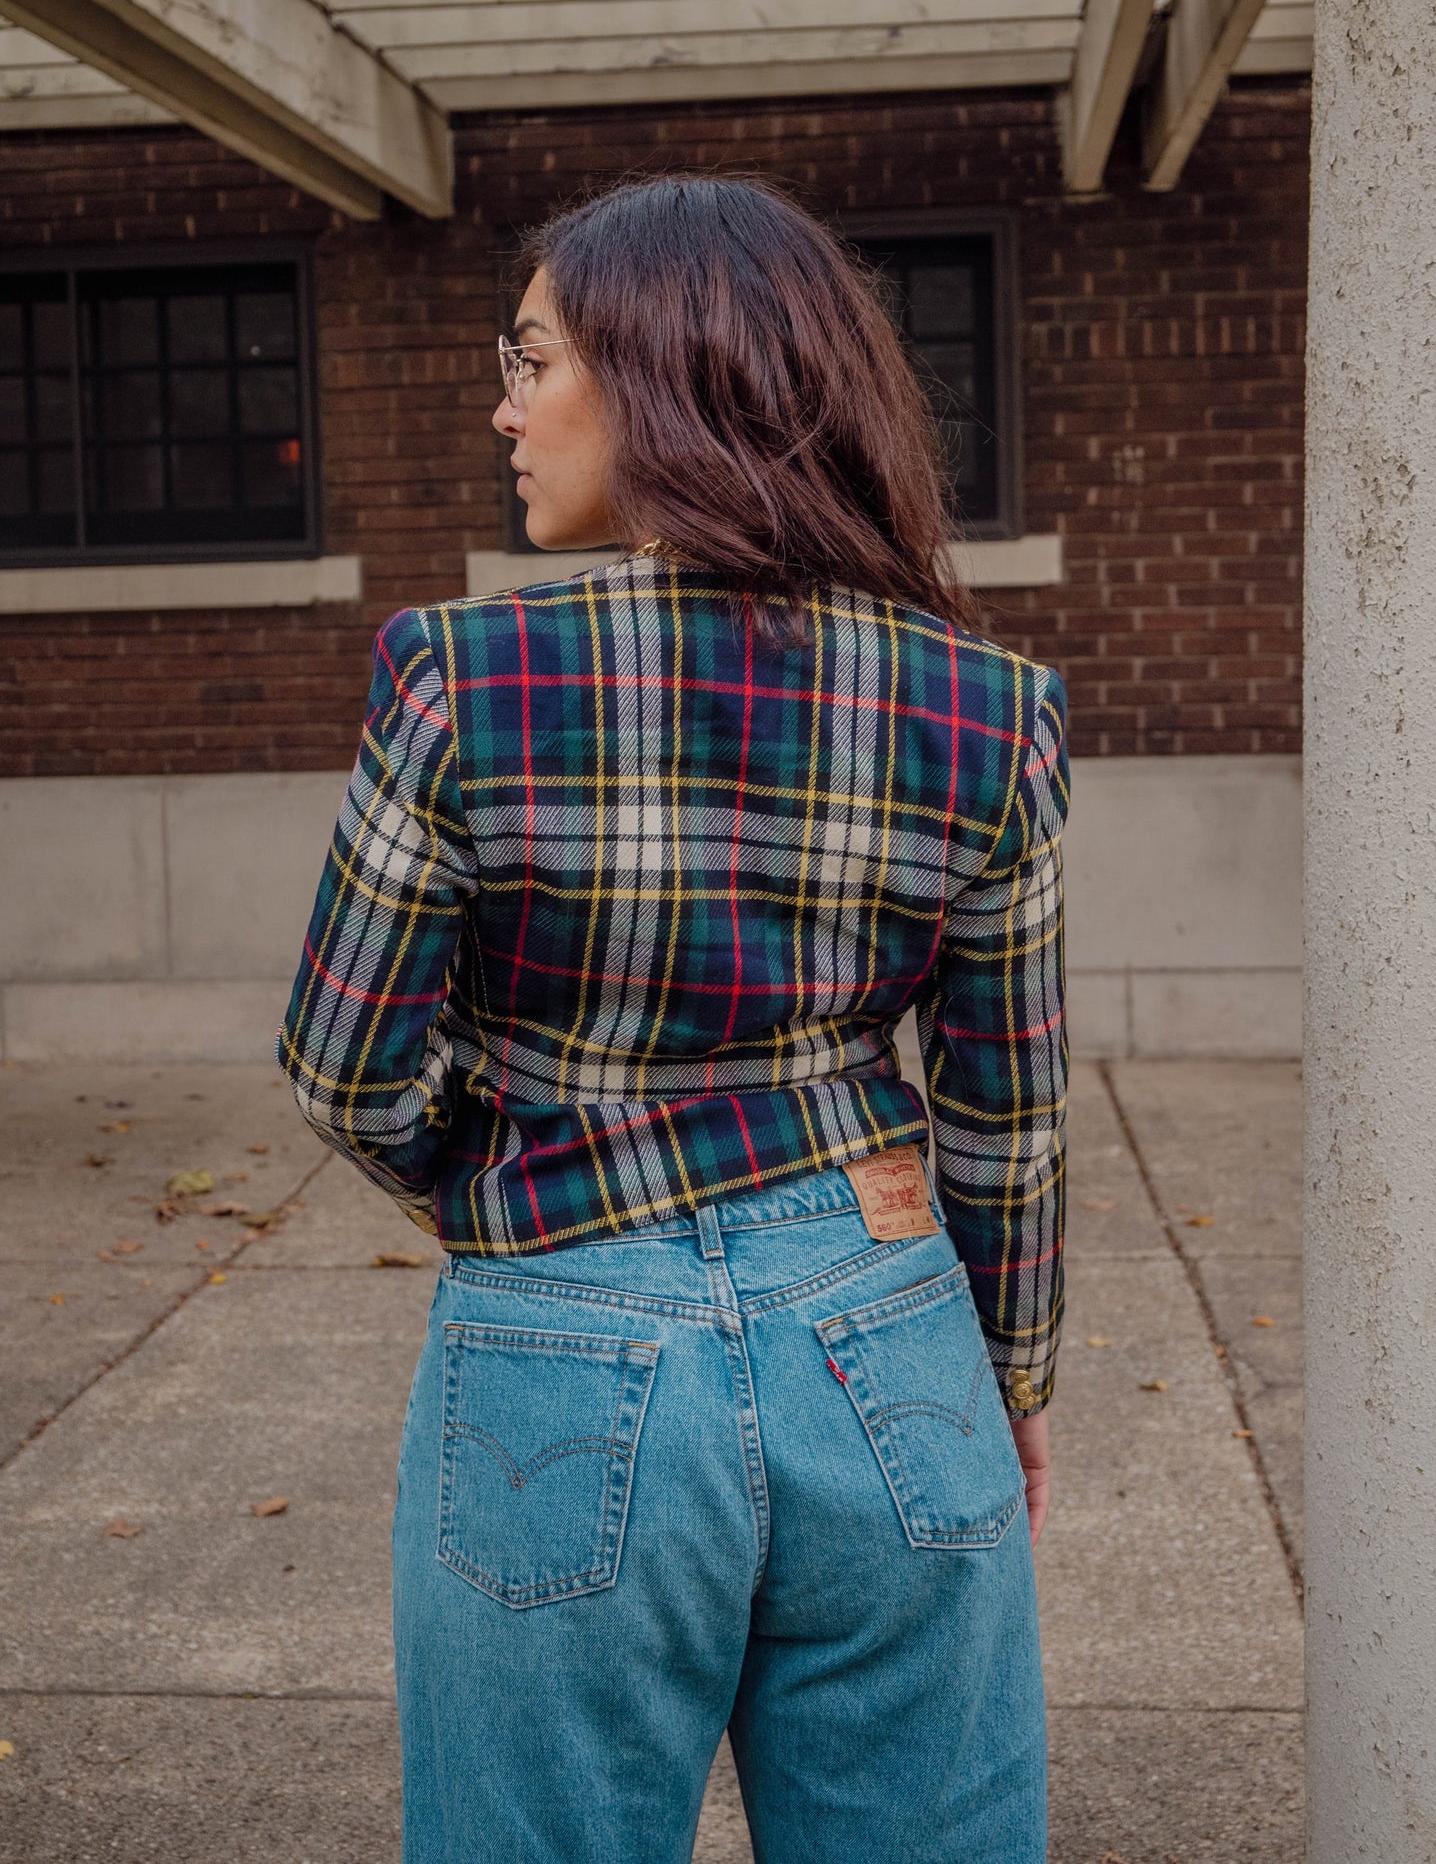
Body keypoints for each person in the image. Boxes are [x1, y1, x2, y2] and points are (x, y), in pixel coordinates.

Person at [278, 175, 1068, 1864]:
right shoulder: (992, 707)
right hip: (889, 1332)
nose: (504, 405)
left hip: (561, 1331)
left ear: (659, 375)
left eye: (533, 357)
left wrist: (500, 1186)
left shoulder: (458, 674)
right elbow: (1005, 1107)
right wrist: (1010, 1384)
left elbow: (344, 1070)